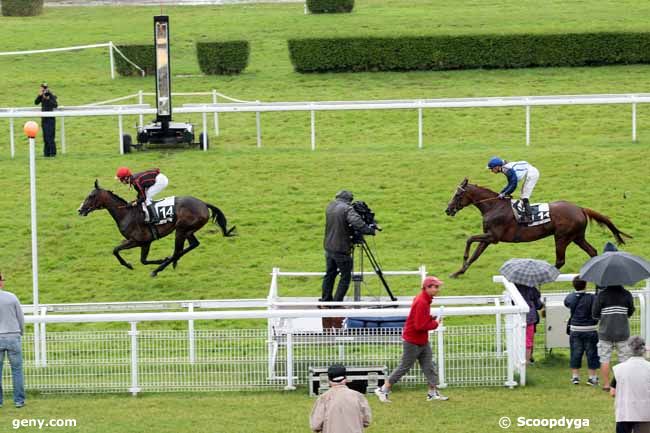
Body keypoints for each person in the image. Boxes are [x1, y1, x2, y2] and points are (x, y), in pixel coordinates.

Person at [374, 276, 448, 403]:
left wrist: (430, 318)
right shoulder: (422, 302)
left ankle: (432, 392)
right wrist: (435, 323)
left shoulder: (424, 300)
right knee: (404, 367)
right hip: (413, 340)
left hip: (421, 340)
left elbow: (420, 319)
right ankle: (383, 389)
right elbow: (420, 325)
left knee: (429, 366)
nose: (438, 289)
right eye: (435, 287)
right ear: (427, 287)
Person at [320, 190, 375, 302]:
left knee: (330, 274)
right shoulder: (347, 209)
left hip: (329, 247)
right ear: (349, 199)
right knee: (345, 277)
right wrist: (369, 230)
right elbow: (357, 222)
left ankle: (325, 300)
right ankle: (337, 303)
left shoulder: (330, 206)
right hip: (341, 248)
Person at [592, 283, 635, 391]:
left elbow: (595, 314)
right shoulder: (627, 294)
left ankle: (606, 385)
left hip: (605, 332)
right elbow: (630, 311)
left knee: (605, 358)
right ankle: (622, 384)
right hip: (623, 332)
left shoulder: (601, 295)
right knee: (624, 359)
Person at [310, 364, 372, 433]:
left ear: (329, 380)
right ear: (345, 379)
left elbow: (315, 425)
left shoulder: (323, 398)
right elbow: (366, 421)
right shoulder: (358, 396)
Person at [564, 277, 600, 385]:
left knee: (575, 352)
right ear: (586, 284)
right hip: (590, 329)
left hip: (575, 329)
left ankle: (575, 377)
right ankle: (592, 378)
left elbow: (566, 303)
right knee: (592, 353)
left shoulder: (570, 297)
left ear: (573, 285)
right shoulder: (592, 298)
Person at [610, 336, 650, 433]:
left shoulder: (619, 369)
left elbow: (613, 392)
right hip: (645, 413)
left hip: (625, 413)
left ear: (628, 349)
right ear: (644, 349)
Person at [486, 157, 540, 224]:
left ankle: (529, 218)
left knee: (524, 196)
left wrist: (504, 194)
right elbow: (510, 184)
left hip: (532, 174)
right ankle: (524, 213)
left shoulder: (508, 170)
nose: (491, 171)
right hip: (529, 171)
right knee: (522, 195)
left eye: (491, 168)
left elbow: (513, 185)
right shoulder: (504, 169)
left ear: (497, 167)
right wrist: (502, 192)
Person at [0, 272, 26, 408]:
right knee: (17, 370)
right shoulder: (11, 297)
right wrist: (21, 331)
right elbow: (20, 317)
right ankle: (19, 401)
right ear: (1, 282)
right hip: (12, 336)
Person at [515, 283, 544, 364]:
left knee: (518, 338)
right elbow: (538, 305)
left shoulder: (514, 287)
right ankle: (527, 360)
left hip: (517, 316)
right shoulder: (532, 288)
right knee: (529, 339)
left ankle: (518, 359)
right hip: (530, 317)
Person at [34, 83, 58, 157]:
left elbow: (55, 105)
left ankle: (53, 153)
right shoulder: (41, 95)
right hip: (44, 118)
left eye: (45, 88)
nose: (44, 90)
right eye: (42, 88)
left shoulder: (51, 95)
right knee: (45, 137)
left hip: (50, 118)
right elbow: (36, 102)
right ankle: (46, 154)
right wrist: (40, 95)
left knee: (50, 137)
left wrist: (48, 99)